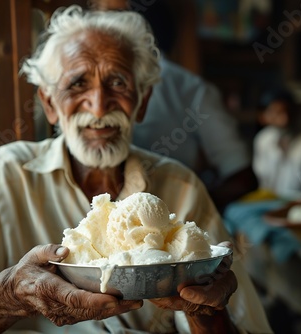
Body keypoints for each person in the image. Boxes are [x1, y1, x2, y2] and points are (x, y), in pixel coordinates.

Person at [0, 6, 272, 334]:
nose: (99, 107)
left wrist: (207, 311)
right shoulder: (1, 177)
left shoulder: (181, 186)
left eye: (117, 83)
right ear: (50, 104)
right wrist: (8, 296)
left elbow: (245, 327)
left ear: (142, 102)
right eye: (78, 84)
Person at [92, 0, 258, 212]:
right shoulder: (191, 88)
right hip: (173, 219)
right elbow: (241, 176)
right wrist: (190, 205)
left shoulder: (94, 84)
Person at [252, 89, 301, 200]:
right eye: (277, 113)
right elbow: (262, 180)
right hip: (270, 202)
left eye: (287, 112)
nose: (284, 119)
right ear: (264, 115)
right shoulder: (262, 140)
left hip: (300, 203)